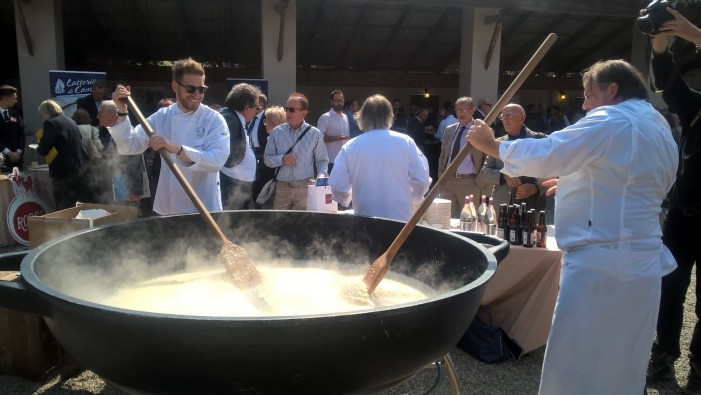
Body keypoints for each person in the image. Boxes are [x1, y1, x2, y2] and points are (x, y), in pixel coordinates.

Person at [467, 59, 678, 394]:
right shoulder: (658, 124)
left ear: (612, 90)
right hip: (642, 263)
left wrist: (492, 145)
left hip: (602, 263)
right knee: (624, 362)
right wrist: (583, 182)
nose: (584, 104)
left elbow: (552, 151)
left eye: (588, 94)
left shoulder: (612, 118)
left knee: (575, 366)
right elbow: (643, 182)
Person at [646, 8, 701, 393]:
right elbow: (667, 83)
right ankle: (664, 357)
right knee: (669, 288)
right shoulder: (697, 108)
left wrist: (697, 35)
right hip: (682, 217)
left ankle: (699, 371)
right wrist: (661, 42)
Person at [109, 58, 229, 215]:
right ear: (175, 86)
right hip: (168, 207)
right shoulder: (162, 116)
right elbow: (129, 146)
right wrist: (122, 111)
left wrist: (177, 149)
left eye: (202, 89)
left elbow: (217, 161)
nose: (197, 95)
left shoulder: (213, 119)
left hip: (202, 208)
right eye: (191, 89)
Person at [329, 94, 430, 221]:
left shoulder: (351, 146)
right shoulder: (405, 142)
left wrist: (348, 197)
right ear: (390, 116)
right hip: (400, 219)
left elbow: (337, 186)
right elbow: (422, 180)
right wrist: (412, 197)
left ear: (362, 117)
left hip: (365, 218)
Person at [263, 92, 328, 210]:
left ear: (304, 112)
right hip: (282, 188)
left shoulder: (315, 134)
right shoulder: (276, 132)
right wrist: (282, 159)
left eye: (291, 110)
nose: (287, 112)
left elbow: (322, 160)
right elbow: (267, 159)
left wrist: (321, 176)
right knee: (280, 223)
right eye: (286, 109)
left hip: (305, 187)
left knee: (302, 224)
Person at [480, 104, 548, 211]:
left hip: (530, 206)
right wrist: (504, 176)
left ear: (522, 117)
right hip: (502, 204)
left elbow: (553, 172)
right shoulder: (498, 143)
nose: (505, 120)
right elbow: (484, 172)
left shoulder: (540, 140)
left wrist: (535, 188)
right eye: (503, 116)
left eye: (510, 116)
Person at [437, 97, 488, 218]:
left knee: (470, 220)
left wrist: (480, 182)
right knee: (442, 218)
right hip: (448, 181)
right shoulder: (450, 130)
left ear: (473, 110)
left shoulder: (481, 130)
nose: (461, 113)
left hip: (470, 182)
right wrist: (441, 176)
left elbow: (488, 159)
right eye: (459, 110)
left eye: (465, 110)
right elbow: (443, 154)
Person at [36, 99, 90, 210]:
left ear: (46, 112)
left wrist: (39, 146)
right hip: (80, 168)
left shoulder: (51, 123)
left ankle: (66, 227)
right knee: (80, 205)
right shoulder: (70, 121)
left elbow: (43, 149)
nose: (42, 118)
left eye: (41, 115)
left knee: (64, 206)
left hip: (63, 172)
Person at [219, 83, 262, 210]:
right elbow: (225, 154)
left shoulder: (233, 118)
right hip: (231, 185)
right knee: (231, 223)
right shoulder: (228, 119)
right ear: (247, 108)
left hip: (238, 185)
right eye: (257, 107)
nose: (257, 111)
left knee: (240, 223)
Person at [317, 90, 349, 174]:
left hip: (344, 159)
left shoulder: (345, 117)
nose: (339, 103)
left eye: (341, 100)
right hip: (330, 160)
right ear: (331, 101)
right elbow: (318, 139)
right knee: (329, 186)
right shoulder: (325, 118)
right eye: (336, 100)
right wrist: (336, 138)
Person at [0, 85, 25, 172]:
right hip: (2, 160)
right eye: (14, 98)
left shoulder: (14, 113)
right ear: (5, 98)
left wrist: (18, 152)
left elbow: (21, 134)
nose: (16, 101)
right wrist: (9, 153)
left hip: (17, 159)